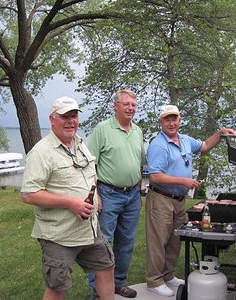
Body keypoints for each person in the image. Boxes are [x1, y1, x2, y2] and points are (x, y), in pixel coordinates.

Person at [21, 96, 115, 300]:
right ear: (52, 119)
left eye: (74, 116)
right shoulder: (41, 152)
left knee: (106, 268)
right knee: (58, 285)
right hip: (59, 235)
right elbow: (29, 194)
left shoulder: (80, 143)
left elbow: (89, 174)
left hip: (89, 229)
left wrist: (95, 194)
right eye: (65, 116)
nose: (71, 121)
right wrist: (71, 203)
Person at [146, 104, 236, 297]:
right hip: (161, 198)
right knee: (159, 240)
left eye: (174, 119)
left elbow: (204, 146)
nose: (171, 123)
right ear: (160, 122)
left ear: (180, 120)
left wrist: (221, 134)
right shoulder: (158, 145)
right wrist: (184, 181)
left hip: (179, 200)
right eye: (167, 119)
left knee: (175, 239)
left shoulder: (185, 140)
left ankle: (168, 275)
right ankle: (154, 281)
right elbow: (155, 176)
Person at [88, 89, 146, 299]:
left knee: (127, 242)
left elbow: (139, 166)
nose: (131, 108)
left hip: (131, 195)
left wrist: (138, 192)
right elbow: (89, 165)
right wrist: (96, 196)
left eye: (133, 104)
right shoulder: (102, 129)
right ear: (116, 106)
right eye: (126, 104)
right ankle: (98, 291)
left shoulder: (138, 131)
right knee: (103, 245)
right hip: (108, 193)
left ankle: (119, 283)